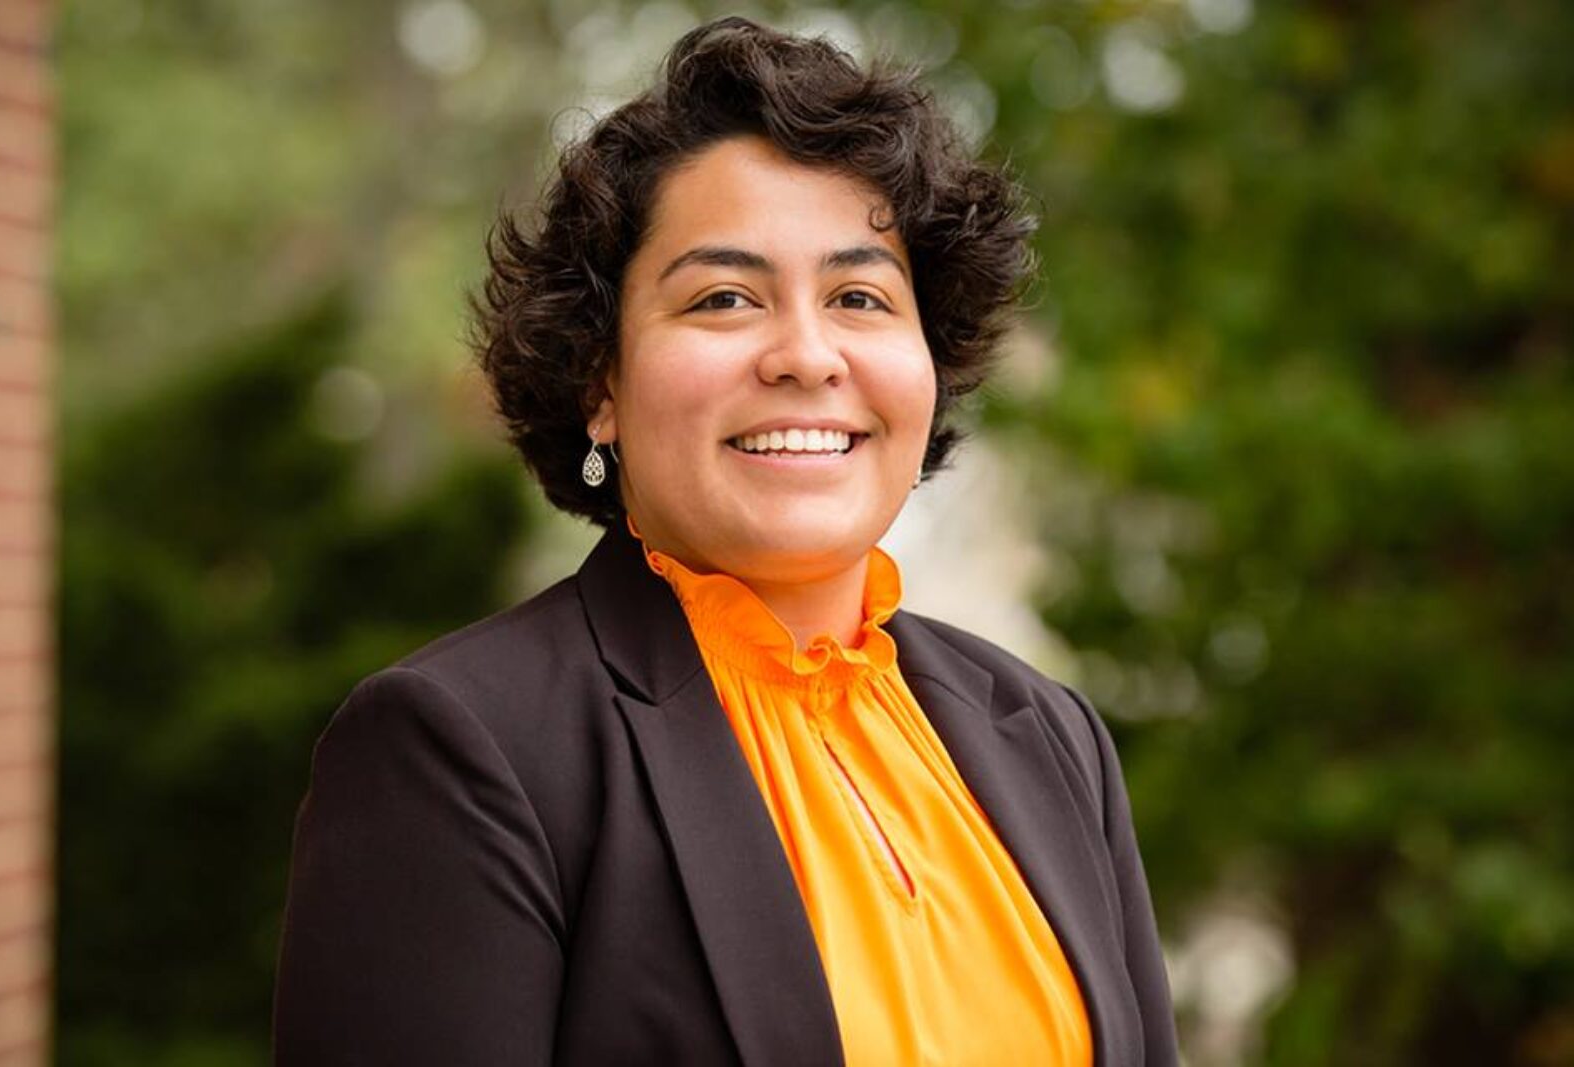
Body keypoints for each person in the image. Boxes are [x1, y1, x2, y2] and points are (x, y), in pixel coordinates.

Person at [273, 16, 1177, 1067]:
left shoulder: (1046, 730)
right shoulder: (464, 749)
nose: (806, 354)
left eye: (858, 296)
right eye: (724, 298)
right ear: (599, 384)